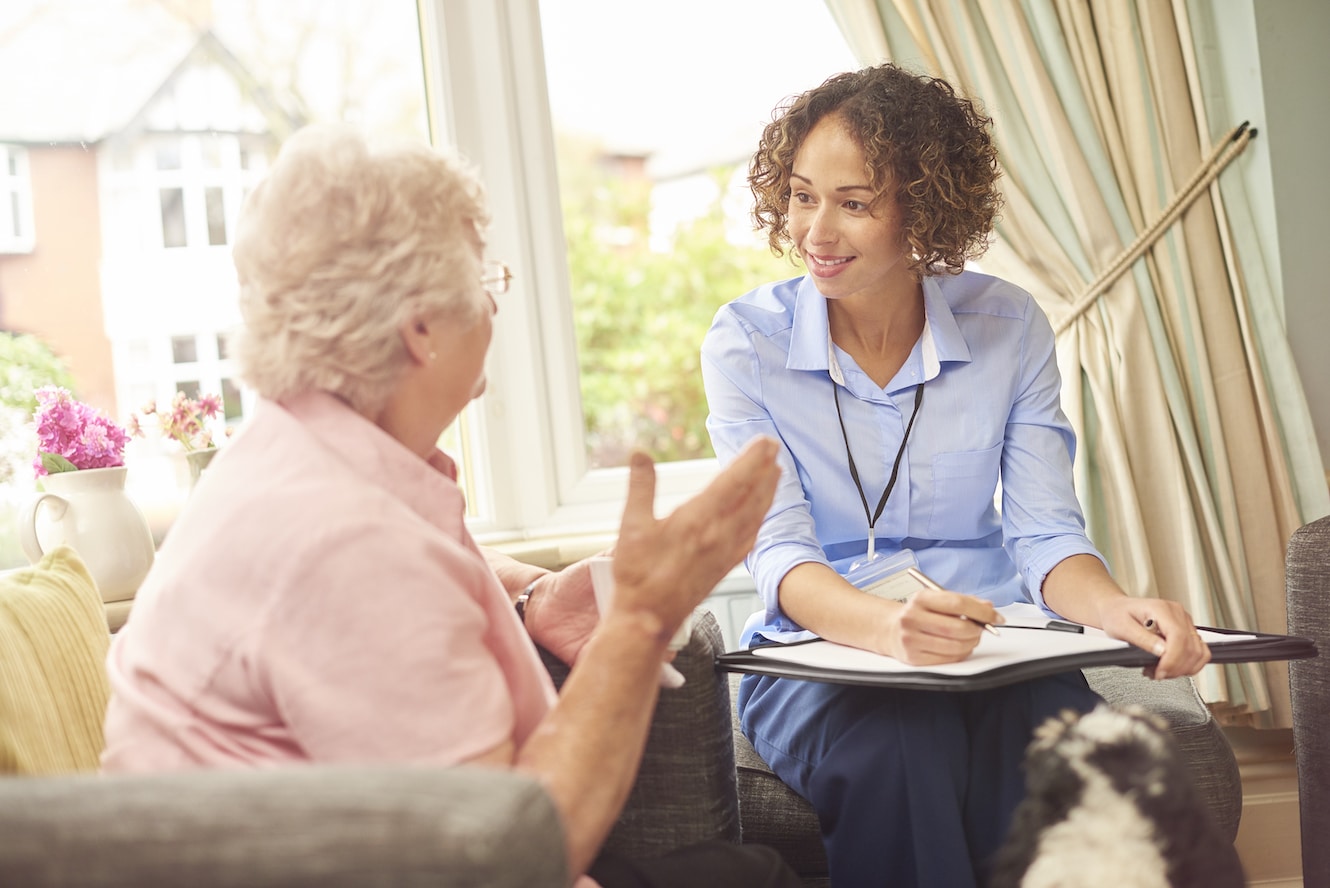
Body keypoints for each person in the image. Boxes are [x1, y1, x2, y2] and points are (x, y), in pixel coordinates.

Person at [100, 123, 799, 888]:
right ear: (422, 328)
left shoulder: (301, 450)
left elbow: (406, 577)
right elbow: (504, 858)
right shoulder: (343, 542)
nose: (494, 303)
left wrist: (532, 594)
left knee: (743, 871)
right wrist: (639, 619)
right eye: (483, 277)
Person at [700, 64, 1212, 888]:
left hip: (994, 643)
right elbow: (781, 553)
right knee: (901, 746)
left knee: (1064, 756)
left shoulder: (1009, 325)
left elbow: (1046, 534)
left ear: (924, 207)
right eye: (801, 196)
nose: (816, 231)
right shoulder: (745, 344)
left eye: (853, 203)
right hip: (818, 651)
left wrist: (1115, 608)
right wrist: (885, 629)